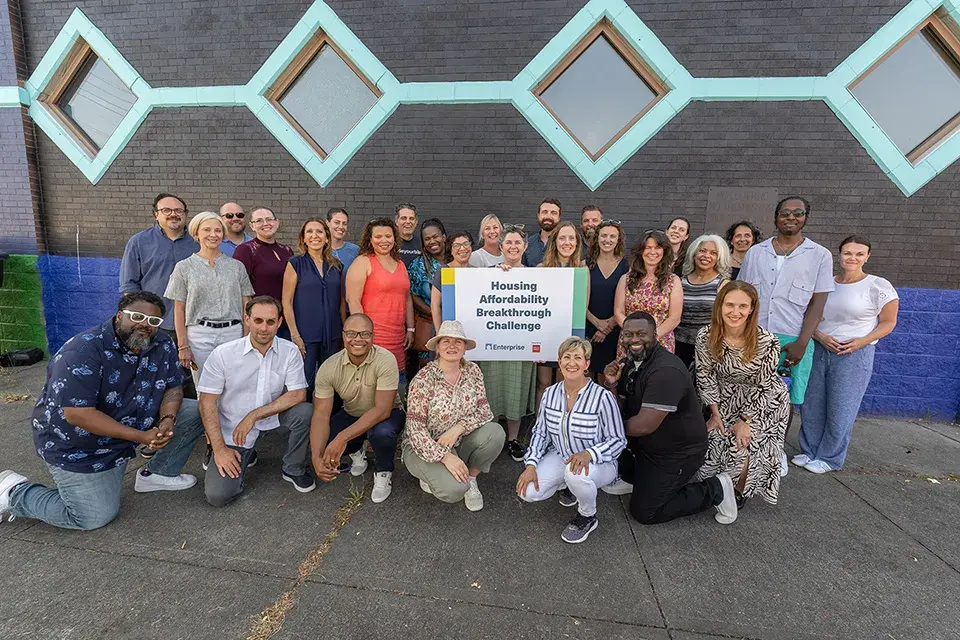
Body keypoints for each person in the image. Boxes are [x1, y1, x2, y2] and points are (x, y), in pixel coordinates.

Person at [0, 292, 203, 530]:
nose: (145, 325)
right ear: (119, 316)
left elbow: (172, 385)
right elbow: (78, 414)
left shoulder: (162, 344)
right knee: (91, 516)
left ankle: (158, 474)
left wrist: (168, 420)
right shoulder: (83, 350)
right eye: (137, 316)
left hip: (131, 427)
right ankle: (14, 492)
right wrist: (141, 437)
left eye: (153, 321)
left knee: (196, 410)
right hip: (82, 445)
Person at [600, 312, 738, 525]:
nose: (634, 339)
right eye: (628, 334)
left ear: (655, 335)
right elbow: (620, 410)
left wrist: (601, 428)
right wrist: (612, 384)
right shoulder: (630, 362)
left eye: (641, 334)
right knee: (612, 432)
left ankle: (716, 488)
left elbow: (644, 425)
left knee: (645, 512)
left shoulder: (665, 370)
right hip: (650, 445)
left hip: (676, 452)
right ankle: (633, 478)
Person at [198, 296, 315, 505]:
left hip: (270, 419)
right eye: (258, 320)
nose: (264, 327)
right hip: (234, 428)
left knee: (305, 411)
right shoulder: (224, 354)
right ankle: (242, 456)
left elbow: (298, 394)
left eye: (271, 322)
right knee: (218, 496)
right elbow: (206, 402)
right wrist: (219, 449)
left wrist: (254, 415)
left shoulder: (289, 351)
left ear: (279, 323)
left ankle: (293, 468)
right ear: (247, 320)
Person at [796, 235, 899, 473]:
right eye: (848, 253)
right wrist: (820, 336)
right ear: (840, 255)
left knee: (841, 406)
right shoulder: (826, 283)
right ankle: (809, 450)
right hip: (821, 348)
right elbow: (809, 315)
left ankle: (829, 458)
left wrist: (861, 341)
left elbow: (888, 322)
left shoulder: (878, 285)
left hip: (854, 354)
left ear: (867, 256)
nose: (852, 258)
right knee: (812, 403)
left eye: (859, 253)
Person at [518, 337, 626, 543]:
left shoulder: (603, 397)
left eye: (578, 358)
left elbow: (618, 439)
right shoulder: (550, 394)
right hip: (562, 455)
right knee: (528, 492)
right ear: (559, 362)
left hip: (599, 462)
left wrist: (589, 453)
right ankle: (570, 485)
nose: (571, 362)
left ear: (586, 365)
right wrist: (530, 464)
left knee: (576, 475)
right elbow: (540, 432)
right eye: (566, 357)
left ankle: (587, 515)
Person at [695, 282, 790, 506]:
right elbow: (705, 374)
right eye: (729, 305)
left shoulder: (767, 341)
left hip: (763, 401)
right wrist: (715, 413)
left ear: (751, 309)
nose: (735, 312)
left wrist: (745, 420)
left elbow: (764, 385)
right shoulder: (705, 336)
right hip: (724, 396)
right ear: (719, 306)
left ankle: (739, 491)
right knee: (716, 436)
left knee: (743, 441)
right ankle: (718, 484)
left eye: (742, 306)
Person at [737, 196, 834, 413]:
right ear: (776, 217)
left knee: (783, 401)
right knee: (746, 396)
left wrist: (802, 343)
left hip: (792, 342)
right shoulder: (755, 252)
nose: (791, 217)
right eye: (785, 213)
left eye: (798, 213)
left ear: (806, 218)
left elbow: (817, 305)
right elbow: (741, 298)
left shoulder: (820, 256)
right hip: (754, 338)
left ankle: (775, 447)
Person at [402, 321, 505, 511]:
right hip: (424, 445)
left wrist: (458, 428)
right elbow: (415, 430)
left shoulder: (473, 371)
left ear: (465, 348)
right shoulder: (424, 379)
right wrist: (445, 457)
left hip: (458, 439)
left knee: (495, 432)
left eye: (458, 342)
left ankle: (471, 478)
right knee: (454, 490)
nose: (452, 346)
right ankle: (432, 475)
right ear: (438, 347)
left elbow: (484, 412)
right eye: (446, 341)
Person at [309, 314, 406, 503]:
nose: (358, 339)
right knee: (325, 439)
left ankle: (383, 471)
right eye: (352, 333)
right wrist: (316, 457)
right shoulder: (329, 367)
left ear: (373, 336)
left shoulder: (386, 359)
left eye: (365, 334)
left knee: (382, 433)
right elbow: (321, 414)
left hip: (388, 413)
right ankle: (357, 452)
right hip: (352, 412)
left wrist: (342, 437)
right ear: (343, 335)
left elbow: (382, 410)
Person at [165, 211, 253, 384]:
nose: (213, 235)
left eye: (218, 231)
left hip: (233, 333)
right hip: (199, 336)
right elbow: (179, 308)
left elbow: (246, 305)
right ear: (196, 233)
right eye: (207, 230)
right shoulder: (184, 267)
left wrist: (246, 338)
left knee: (234, 384)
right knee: (205, 386)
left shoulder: (237, 267)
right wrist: (183, 345)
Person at [479, 226, 538, 461]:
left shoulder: (535, 275)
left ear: (525, 246)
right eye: (508, 242)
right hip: (492, 346)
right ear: (501, 246)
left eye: (517, 242)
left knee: (516, 393)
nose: (513, 246)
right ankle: (491, 441)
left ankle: (513, 439)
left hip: (522, 346)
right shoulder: (487, 273)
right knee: (490, 393)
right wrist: (496, 275)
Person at [282, 217, 346, 397]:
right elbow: (286, 301)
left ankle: (328, 420)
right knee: (304, 381)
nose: (314, 236)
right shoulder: (295, 263)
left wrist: (344, 330)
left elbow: (341, 301)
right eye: (309, 232)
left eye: (319, 231)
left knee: (331, 381)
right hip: (305, 334)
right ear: (303, 238)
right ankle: (303, 420)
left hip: (332, 333)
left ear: (327, 237)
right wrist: (295, 334)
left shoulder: (336, 265)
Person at [120, 193, 199, 332]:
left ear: (185, 214)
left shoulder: (198, 242)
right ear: (155, 214)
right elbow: (129, 286)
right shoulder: (138, 242)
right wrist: (143, 317)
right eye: (166, 210)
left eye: (178, 211)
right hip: (155, 322)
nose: (173, 214)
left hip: (194, 322)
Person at [345, 217, 414, 374]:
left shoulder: (400, 264)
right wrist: (362, 334)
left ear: (395, 239)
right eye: (378, 236)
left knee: (396, 381)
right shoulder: (362, 262)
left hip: (398, 338)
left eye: (388, 236)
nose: (384, 240)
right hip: (373, 337)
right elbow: (353, 300)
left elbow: (407, 298)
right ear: (370, 240)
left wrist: (411, 328)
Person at [535, 222, 587, 405]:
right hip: (545, 334)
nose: (567, 242)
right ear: (554, 242)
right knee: (544, 382)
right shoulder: (541, 269)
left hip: (571, 334)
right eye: (562, 238)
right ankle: (541, 421)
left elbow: (583, 306)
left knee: (566, 381)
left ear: (577, 243)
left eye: (571, 238)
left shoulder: (582, 271)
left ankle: (564, 420)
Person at [614, 230, 682, 354]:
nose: (652, 252)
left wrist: (651, 337)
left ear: (664, 251)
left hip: (660, 342)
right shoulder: (626, 279)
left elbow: (674, 318)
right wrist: (635, 336)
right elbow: (618, 312)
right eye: (648, 248)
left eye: (657, 248)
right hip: (630, 342)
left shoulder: (673, 281)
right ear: (641, 251)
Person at [675, 234, 730, 368]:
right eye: (702, 251)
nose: (706, 255)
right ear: (694, 254)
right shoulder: (679, 282)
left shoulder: (723, 284)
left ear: (718, 259)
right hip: (678, 345)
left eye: (713, 253)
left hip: (708, 347)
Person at [586, 220, 627, 377]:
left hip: (615, 331)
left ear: (618, 240)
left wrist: (607, 328)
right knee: (586, 376)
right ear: (597, 238)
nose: (607, 240)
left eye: (612, 236)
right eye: (603, 235)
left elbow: (627, 302)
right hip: (589, 328)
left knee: (608, 378)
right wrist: (597, 324)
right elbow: (580, 300)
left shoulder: (626, 266)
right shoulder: (586, 264)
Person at [408, 218, 447, 368]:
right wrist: (433, 312)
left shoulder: (455, 261)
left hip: (456, 324)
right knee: (428, 365)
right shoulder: (418, 265)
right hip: (429, 323)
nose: (432, 241)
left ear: (443, 237)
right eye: (427, 239)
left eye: (435, 236)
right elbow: (413, 295)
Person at [430, 231, 475, 331]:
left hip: (470, 329)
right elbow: (435, 305)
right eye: (457, 245)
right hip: (446, 330)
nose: (462, 248)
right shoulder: (443, 271)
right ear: (450, 250)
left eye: (466, 244)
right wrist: (439, 333)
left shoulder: (476, 272)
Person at [522, 198, 561, 267]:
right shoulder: (527, 243)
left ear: (559, 217)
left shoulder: (566, 244)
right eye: (544, 212)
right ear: (538, 215)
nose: (548, 216)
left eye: (553, 213)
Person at [327, 207, 360, 273]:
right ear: (327, 223)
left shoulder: (355, 251)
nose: (341, 227)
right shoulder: (319, 249)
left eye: (344, 224)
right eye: (337, 222)